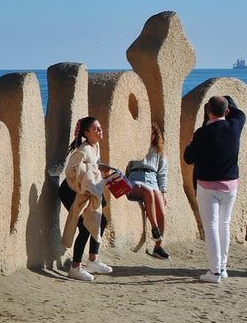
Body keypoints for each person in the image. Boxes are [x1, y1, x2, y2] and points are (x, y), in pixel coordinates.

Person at [183, 95, 245, 284]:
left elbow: (188, 158)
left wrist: (191, 143)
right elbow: (240, 113)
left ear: (208, 111)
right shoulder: (235, 126)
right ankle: (223, 268)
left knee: (211, 227)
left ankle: (214, 271)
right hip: (230, 185)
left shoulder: (202, 133)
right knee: (224, 225)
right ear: (227, 111)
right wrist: (228, 102)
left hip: (207, 186)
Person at [59, 116, 114, 281]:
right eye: (96, 129)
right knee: (85, 227)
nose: (100, 130)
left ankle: (93, 260)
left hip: (86, 192)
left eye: (100, 127)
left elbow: (93, 168)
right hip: (71, 191)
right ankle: (75, 267)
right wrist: (88, 172)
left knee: (101, 221)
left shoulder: (96, 146)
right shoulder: (83, 150)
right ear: (86, 133)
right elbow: (70, 171)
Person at [124, 123, 170, 260]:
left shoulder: (158, 151)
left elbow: (162, 174)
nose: (149, 136)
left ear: (155, 135)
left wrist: (163, 192)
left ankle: (158, 246)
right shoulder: (134, 147)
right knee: (147, 193)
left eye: (152, 133)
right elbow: (126, 167)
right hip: (135, 178)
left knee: (160, 206)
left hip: (152, 179)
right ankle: (154, 229)